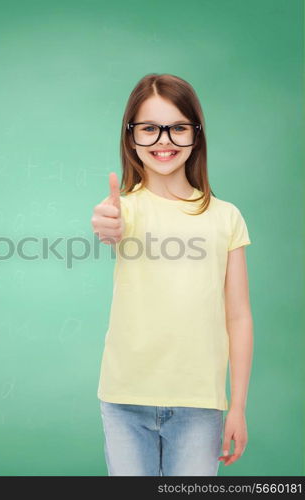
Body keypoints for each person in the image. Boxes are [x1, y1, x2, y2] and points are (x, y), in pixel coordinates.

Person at [91, 73, 253, 476]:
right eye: (149, 128)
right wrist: (106, 224)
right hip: (124, 399)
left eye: (178, 127)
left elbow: (239, 317)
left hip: (200, 406)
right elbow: (108, 226)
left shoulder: (226, 217)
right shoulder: (123, 211)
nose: (164, 140)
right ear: (131, 138)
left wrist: (239, 407)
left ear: (196, 135)